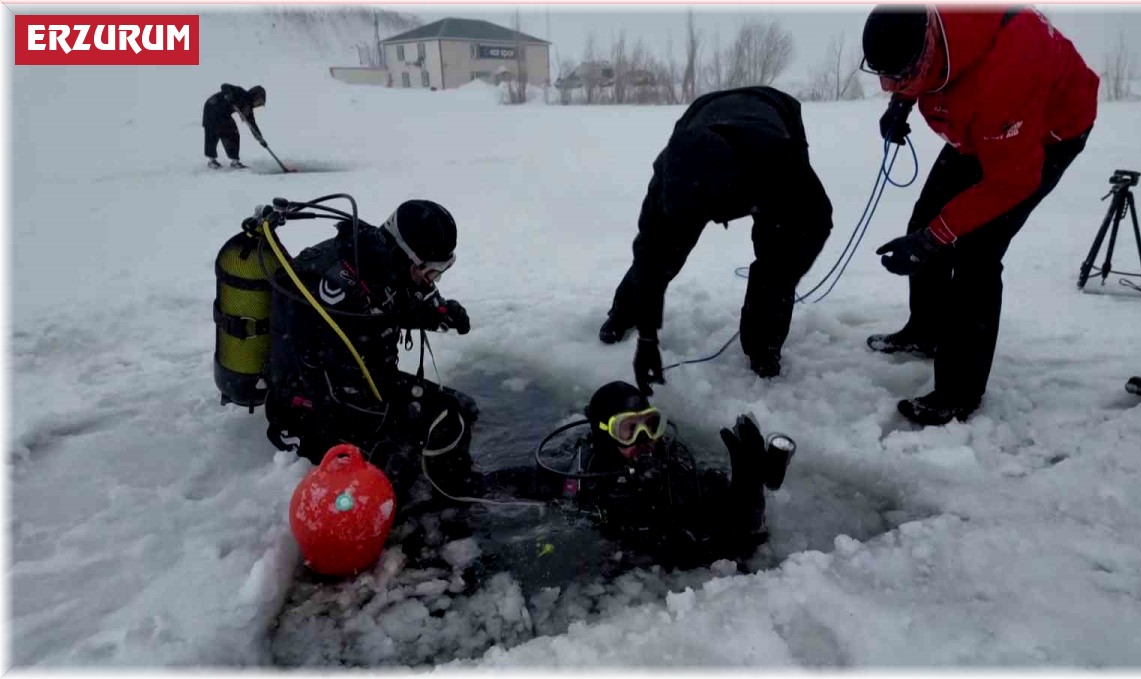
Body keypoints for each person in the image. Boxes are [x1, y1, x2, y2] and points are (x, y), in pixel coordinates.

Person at [861, 6, 1098, 425]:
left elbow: (1011, 181)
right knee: (925, 221)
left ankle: (959, 393)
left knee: (976, 252)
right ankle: (926, 330)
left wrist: (933, 240)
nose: (888, 87)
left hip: (1045, 133)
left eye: (899, 78)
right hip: (979, 123)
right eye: (885, 78)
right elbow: (920, 62)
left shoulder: (1008, 75)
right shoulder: (926, 30)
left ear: (929, 48)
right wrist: (902, 100)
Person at [597, 86, 834, 386]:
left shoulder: (781, 163)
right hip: (704, 112)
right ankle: (623, 314)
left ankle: (764, 346)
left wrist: (781, 276)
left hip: (773, 118)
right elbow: (650, 250)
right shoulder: (669, 172)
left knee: (777, 260)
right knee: (662, 250)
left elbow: (816, 221)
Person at [265, 199, 481, 508]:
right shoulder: (335, 291)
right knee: (424, 438)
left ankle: (447, 490)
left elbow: (403, 299)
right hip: (312, 411)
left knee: (460, 411)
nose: (432, 280)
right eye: (431, 271)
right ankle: (425, 515)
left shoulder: (382, 263)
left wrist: (442, 313)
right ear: (404, 254)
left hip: (365, 381)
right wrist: (403, 427)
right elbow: (336, 393)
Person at [485, 381, 796, 570]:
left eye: (650, 423)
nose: (645, 438)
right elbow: (515, 482)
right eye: (628, 429)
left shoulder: (675, 467)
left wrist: (748, 489)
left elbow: (736, 541)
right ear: (605, 435)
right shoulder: (581, 479)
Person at [203, 83, 266, 169]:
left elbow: (252, 125)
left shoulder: (247, 108)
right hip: (212, 107)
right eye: (259, 101)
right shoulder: (240, 92)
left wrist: (260, 139)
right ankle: (212, 161)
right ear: (255, 96)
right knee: (213, 132)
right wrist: (228, 95)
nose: (258, 105)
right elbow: (224, 86)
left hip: (223, 114)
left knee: (233, 133)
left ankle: (234, 161)